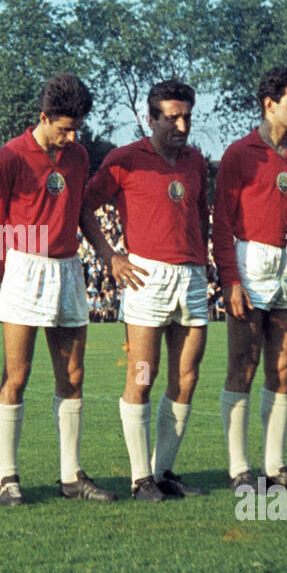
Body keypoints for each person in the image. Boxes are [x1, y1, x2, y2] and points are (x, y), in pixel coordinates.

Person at [0, 74, 117, 506]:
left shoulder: (77, 155)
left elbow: (79, 210)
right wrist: (9, 274)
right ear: (43, 117)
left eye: (77, 127)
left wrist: (107, 253)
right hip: (24, 268)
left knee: (73, 376)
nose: (72, 136)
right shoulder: (9, 157)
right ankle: (7, 477)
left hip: (68, 268)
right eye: (64, 127)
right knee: (16, 376)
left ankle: (70, 475)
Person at [84, 79, 211, 501]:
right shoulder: (124, 159)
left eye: (187, 116)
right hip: (146, 276)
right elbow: (83, 206)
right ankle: (140, 478)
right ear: (151, 118)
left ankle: (164, 471)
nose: (181, 124)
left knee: (187, 377)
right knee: (143, 374)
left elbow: (202, 213)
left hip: (191, 277)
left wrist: (204, 261)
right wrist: (110, 256)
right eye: (172, 117)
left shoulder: (196, 161)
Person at [213, 67, 287, 491]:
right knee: (243, 366)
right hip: (251, 265)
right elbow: (222, 223)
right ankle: (239, 466)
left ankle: (275, 465)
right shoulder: (239, 154)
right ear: (269, 105)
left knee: (282, 370)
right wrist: (231, 279)